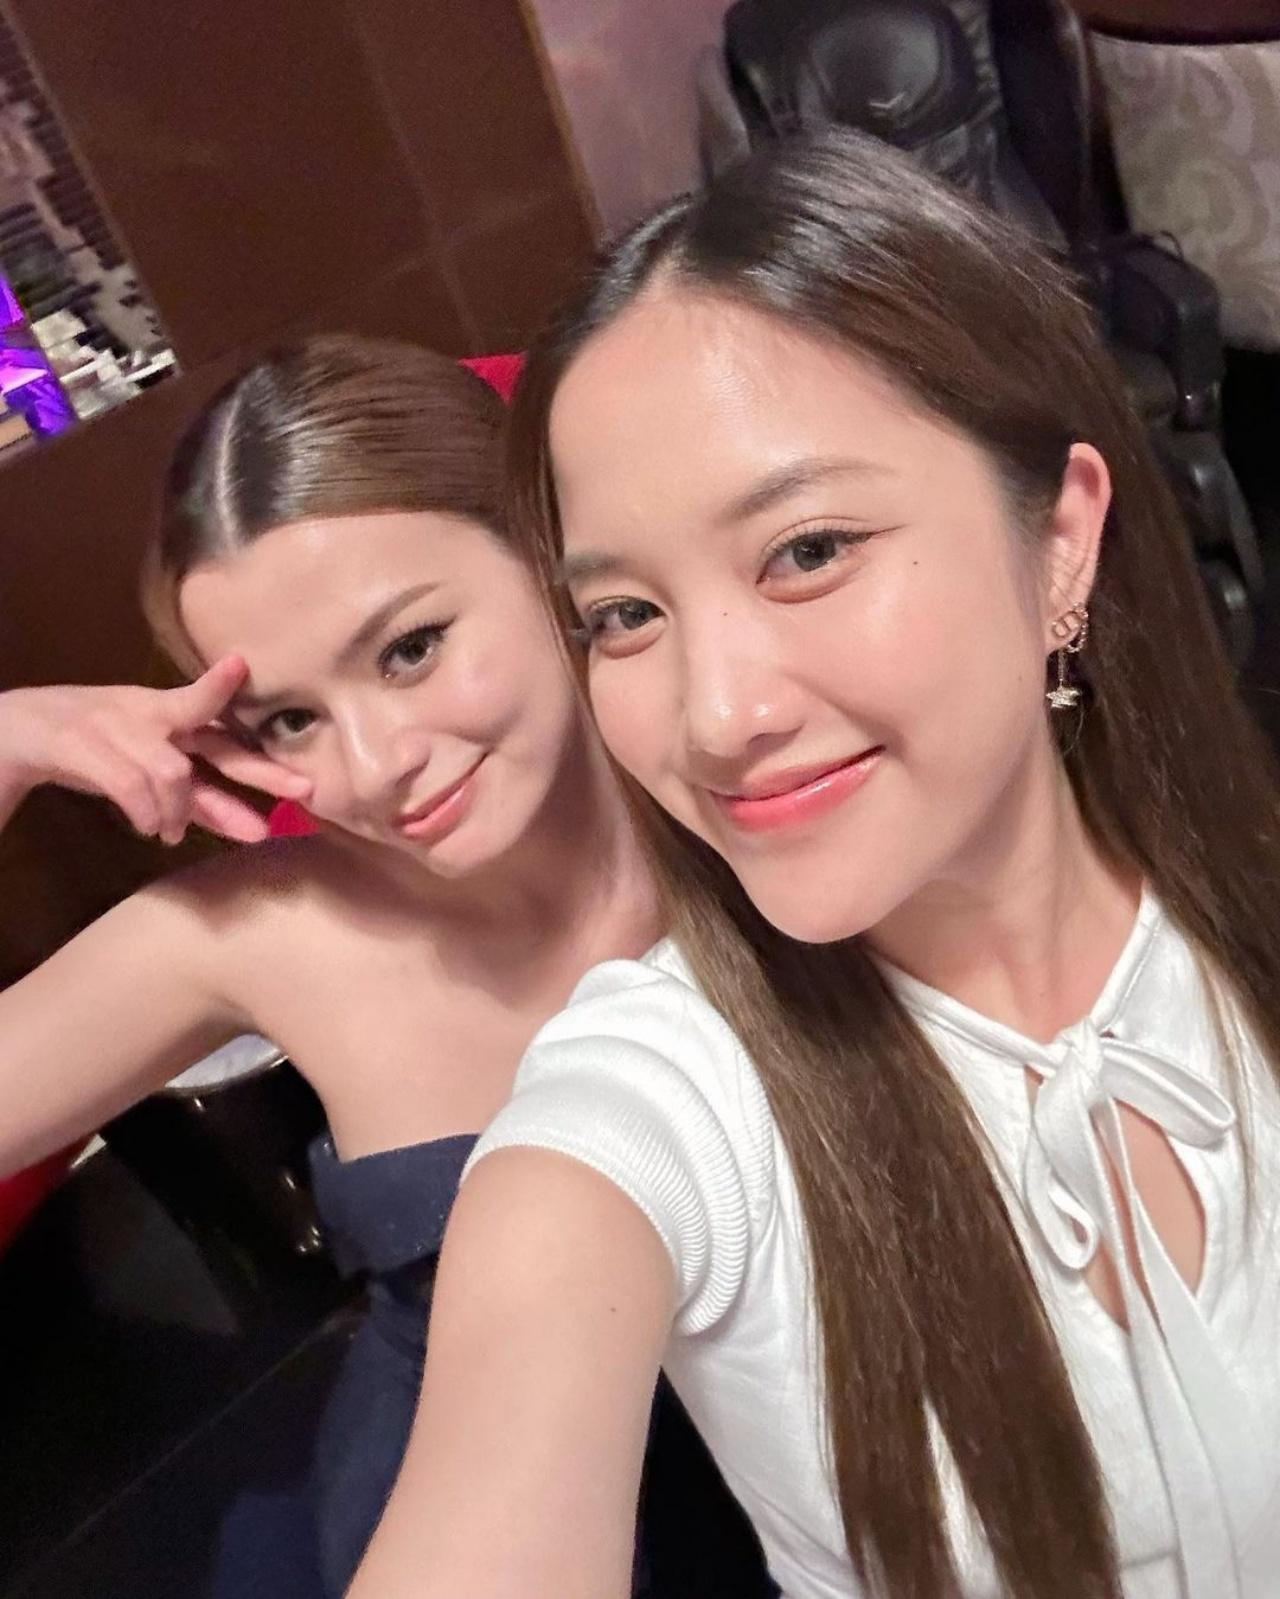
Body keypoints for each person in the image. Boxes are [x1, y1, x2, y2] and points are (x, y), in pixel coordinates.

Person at [350, 131, 1280, 1599]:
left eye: (805, 550)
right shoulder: (658, 1108)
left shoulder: (1241, 897)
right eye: (626, 615)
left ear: (1059, 541)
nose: (717, 718)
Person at [0, 336, 769, 1598]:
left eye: (409, 648)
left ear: (543, 544)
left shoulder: (757, 774)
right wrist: (13, 740)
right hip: (456, 1506)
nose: (371, 768)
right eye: (290, 719)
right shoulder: (266, 930)